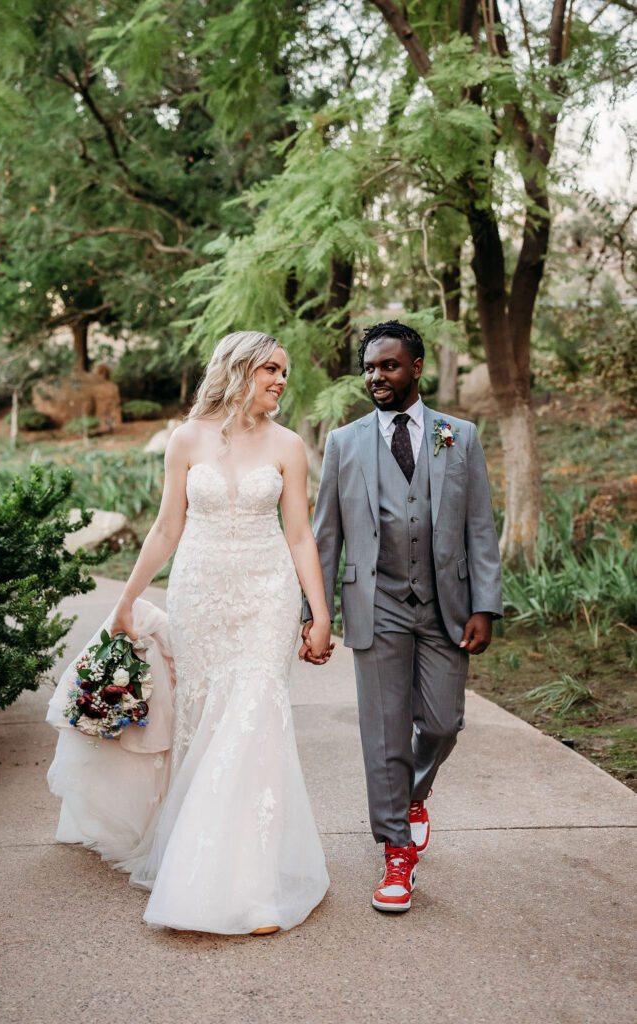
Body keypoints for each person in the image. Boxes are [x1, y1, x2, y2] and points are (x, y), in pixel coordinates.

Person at [48, 330, 333, 935]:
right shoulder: (186, 439)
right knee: (205, 722)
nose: (282, 380)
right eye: (270, 370)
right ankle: (198, 858)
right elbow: (165, 528)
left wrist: (320, 611)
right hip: (200, 596)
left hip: (266, 597)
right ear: (238, 370)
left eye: (284, 371)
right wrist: (126, 600)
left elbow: (301, 536)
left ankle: (251, 888)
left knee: (255, 716)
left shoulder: (289, 446)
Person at [302, 320, 502, 913]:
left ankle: (414, 795)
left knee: (442, 724)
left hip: (446, 604)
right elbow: (325, 538)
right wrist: (317, 616)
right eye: (368, 367)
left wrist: (486, 605)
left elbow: (480, 527)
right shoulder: (345, 443)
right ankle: (395, 854)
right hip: (377, 602)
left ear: (416, 368)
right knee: (384, 732)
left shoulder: (458, 436)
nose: (375, 377)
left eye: (387, 366)